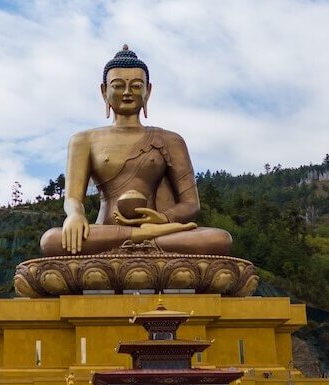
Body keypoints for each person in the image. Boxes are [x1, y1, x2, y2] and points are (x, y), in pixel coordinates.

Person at [39, 45, 232, 257]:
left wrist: (164, 219)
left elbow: (191, 204)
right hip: (107, 230)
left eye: (136, 86)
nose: (127, 93)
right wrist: (75, 215)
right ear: (104, 91)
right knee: (51, 240)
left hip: (160, 230)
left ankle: (145, 236)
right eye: (118, 86)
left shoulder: (171, 140)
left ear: (148, 91)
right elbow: (73, 198)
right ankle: (142, 236)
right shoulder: (84, 140)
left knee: (219, 239)